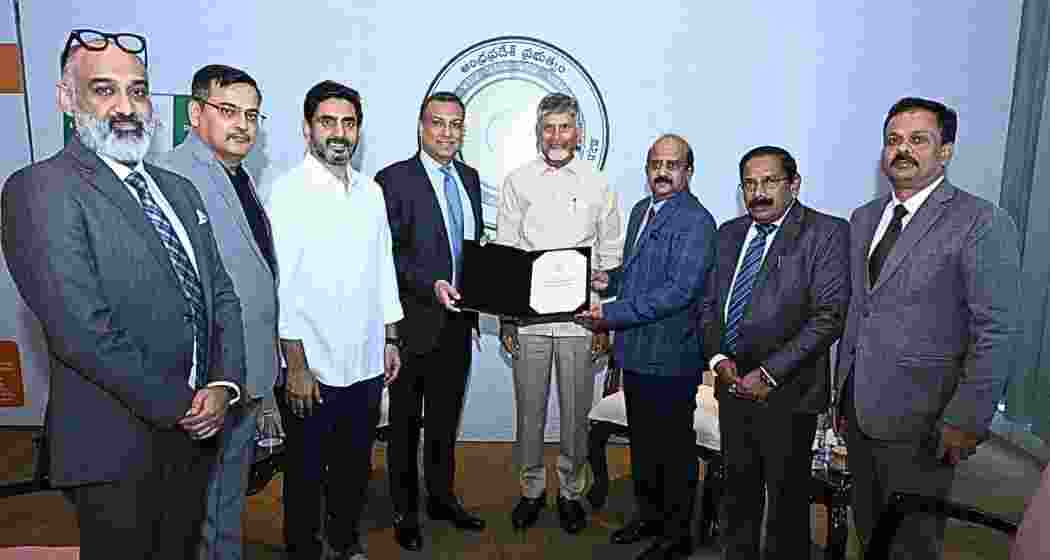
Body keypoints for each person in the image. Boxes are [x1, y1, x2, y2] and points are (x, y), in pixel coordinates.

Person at [1, 30, 246, 560]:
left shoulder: (176, 189)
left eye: (137, 91)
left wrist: (224, 385)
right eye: (104, 90)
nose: (125, 107)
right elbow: (80, 330)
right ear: (68, 99)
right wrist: (184, 404)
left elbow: (220, 294)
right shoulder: (40, 189)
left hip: (194, 434)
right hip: (114, 445)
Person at [836, 97, 1021, 558]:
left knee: (913, 542)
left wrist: (966, 418)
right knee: (870, 529)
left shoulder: (979, 221)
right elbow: (860, 313)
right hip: (859, 411)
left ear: (946, 151)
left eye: (919, 139)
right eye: (894, 140)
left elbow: (995, 329)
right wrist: (840, 395)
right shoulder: (863, 219)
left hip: (925, 418)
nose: (903, 149)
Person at [266, 80, 403, 560]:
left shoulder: (371, 192)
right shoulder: (285, 193)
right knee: (304, 474)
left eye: (348, 123)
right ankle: (302, 550)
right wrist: (296, 365)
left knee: (352, 469)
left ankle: (345, 545)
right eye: (327, 122)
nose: (339, 133)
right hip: (313, 366)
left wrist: (390, 338)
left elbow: (383, 266)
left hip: (365, 361)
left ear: (359, 130)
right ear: (308, 130)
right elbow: (282, 288)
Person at [154, 64, 279, 560]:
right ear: (195, 112)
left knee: (226, 497)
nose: (243, 125)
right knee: (193, 505)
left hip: (245, 370)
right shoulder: (170, 177)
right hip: (207, 379)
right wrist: (207, 378)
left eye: (251, 115)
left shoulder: (239, 176)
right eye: (229, 111)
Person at [700, 146, 850, 559]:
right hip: (731, 386)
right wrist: (718, 360)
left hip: (788, 392)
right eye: (750, 183)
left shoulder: (826, 232)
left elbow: (829, 316)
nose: (758, 192)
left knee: (786, 503)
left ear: (794, 184)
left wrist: (767, 374)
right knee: (738, 493)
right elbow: (710, 304)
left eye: (769, 182)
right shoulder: (728, 233)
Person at [579, 134, 716, 560]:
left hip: (673, 358)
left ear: (689, 171)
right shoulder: (642, 210)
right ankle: (649, 518)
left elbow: (678, 291)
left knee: (673, 453)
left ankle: (676, 536)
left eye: (672, 164)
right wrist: (610, 281)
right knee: (644, 446)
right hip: (636, 354)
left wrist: (610, 315)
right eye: (656, 163)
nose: (662, 171)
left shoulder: (697, 221)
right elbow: (640, 274)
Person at [495, 93, 623, 534]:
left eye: (564, 127)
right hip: (529, 323)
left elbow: (609, 256)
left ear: (578, 133)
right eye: (548, 127)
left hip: (580, 322)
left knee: (575, 416)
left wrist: (604, 320)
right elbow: (508, 254)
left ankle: (571, 491)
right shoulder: (517, 182)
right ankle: (531, 490)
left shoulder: (598, 184)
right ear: (538, 132)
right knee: (528, 413)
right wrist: (508, 319)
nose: (556, 136)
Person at [375, 91, 486, 551]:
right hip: (414, 324)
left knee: (444, 420)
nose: (447, 132)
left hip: (459, 325)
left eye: (456, 124)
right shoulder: (393, 179)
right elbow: (386, 257)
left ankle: (441, 497)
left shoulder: (471, 178)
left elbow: (471, 248)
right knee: (405, 424)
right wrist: (432, 284)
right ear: (421, 126)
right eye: (438, 123)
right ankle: (405, 510)